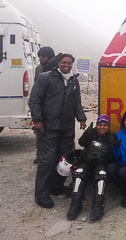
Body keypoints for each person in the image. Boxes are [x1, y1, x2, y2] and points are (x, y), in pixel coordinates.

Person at [29, 53, 87, 208]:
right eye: (64, 62)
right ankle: (40, 194)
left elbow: (77, 102)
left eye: (69, 63)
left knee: (65, 161)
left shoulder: (74, 81)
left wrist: (81, 118)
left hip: (67, 128)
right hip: (49, 127)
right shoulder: (45, 78)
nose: (66, 65)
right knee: (47, 160)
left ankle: (56, 187)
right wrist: (38, 120)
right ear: (58, 63)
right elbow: (34, 99)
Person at [66, 114, 116, 221]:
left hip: (101, 163)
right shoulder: (91, 133)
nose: (102, 127)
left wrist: (112, 146)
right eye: (100, 124)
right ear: (97, 125)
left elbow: (111, 155)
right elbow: (81, 142)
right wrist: (86, 134)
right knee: (79, 172)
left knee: (101, 174)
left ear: (108, 126)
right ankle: (76, 203)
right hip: (87, 160)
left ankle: (98, 205)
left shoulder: (111, 137)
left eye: (105, 125)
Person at [33, 46, 60, 164]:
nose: (40, 58)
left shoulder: (59, 68)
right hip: (42, 106)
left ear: (49, 56)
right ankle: (40, 156)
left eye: (43, 56)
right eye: (39, 56)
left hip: (57, 107)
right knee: (40, 133)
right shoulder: (39, 69)